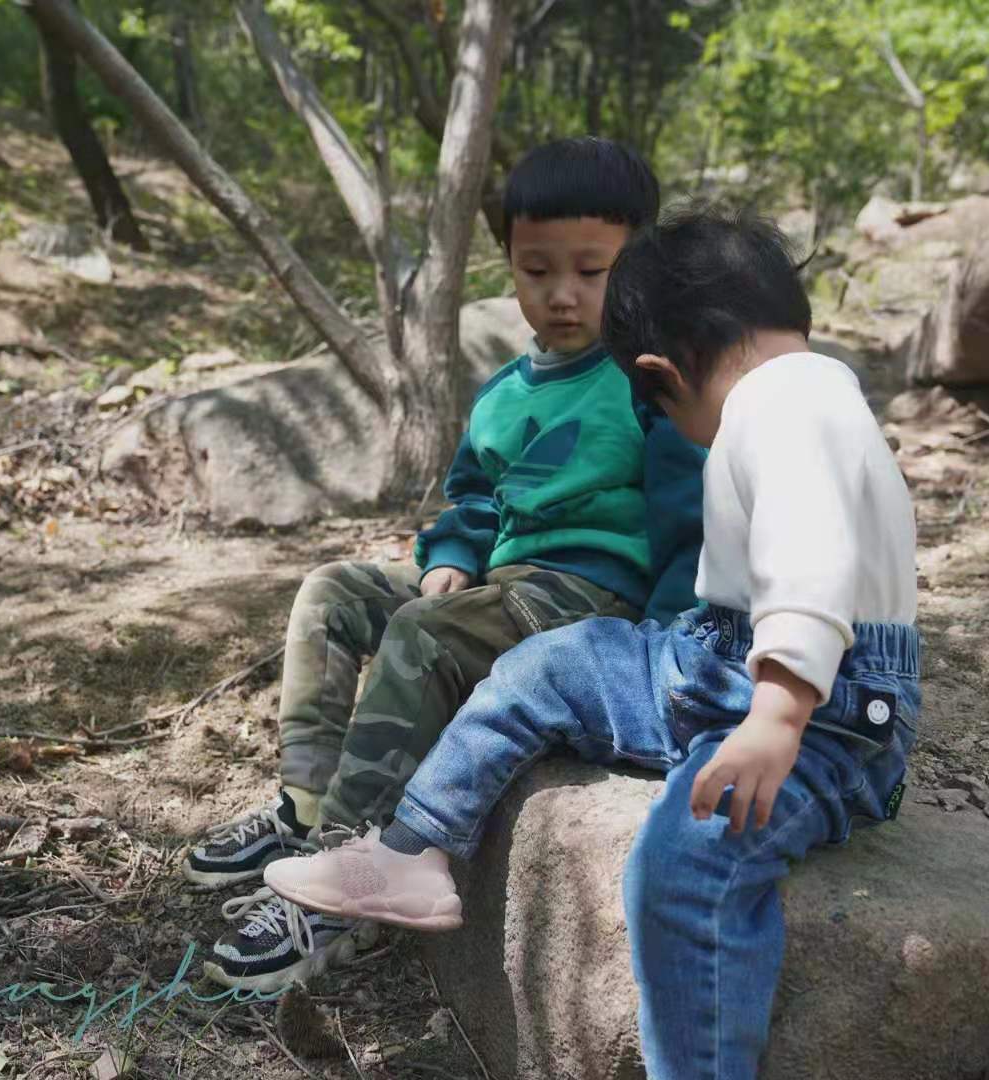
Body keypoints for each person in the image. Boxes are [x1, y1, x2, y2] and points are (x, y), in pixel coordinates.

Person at [262, 206, 921, 1080]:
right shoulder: (805, 393)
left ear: (660, 374)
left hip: (825, 709)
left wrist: (777, 712)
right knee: (548, 663)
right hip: (714, 657)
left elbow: (812, 555)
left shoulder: (790, 404)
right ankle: (413, 850)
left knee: (685, 866)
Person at [186, 137, 707, 993]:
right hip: (499, 587)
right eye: (538, 271)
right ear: (510, 266)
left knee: (425, 637)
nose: (564, 294)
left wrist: (678, 637)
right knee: (335, 591)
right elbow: (471, 498)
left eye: (592, 270)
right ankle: (307, 805)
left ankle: (341, 882)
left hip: (588, 599)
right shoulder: (504, 390)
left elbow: (692, 510)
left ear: (638, 264)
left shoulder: (646, 379)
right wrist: (453, 555)